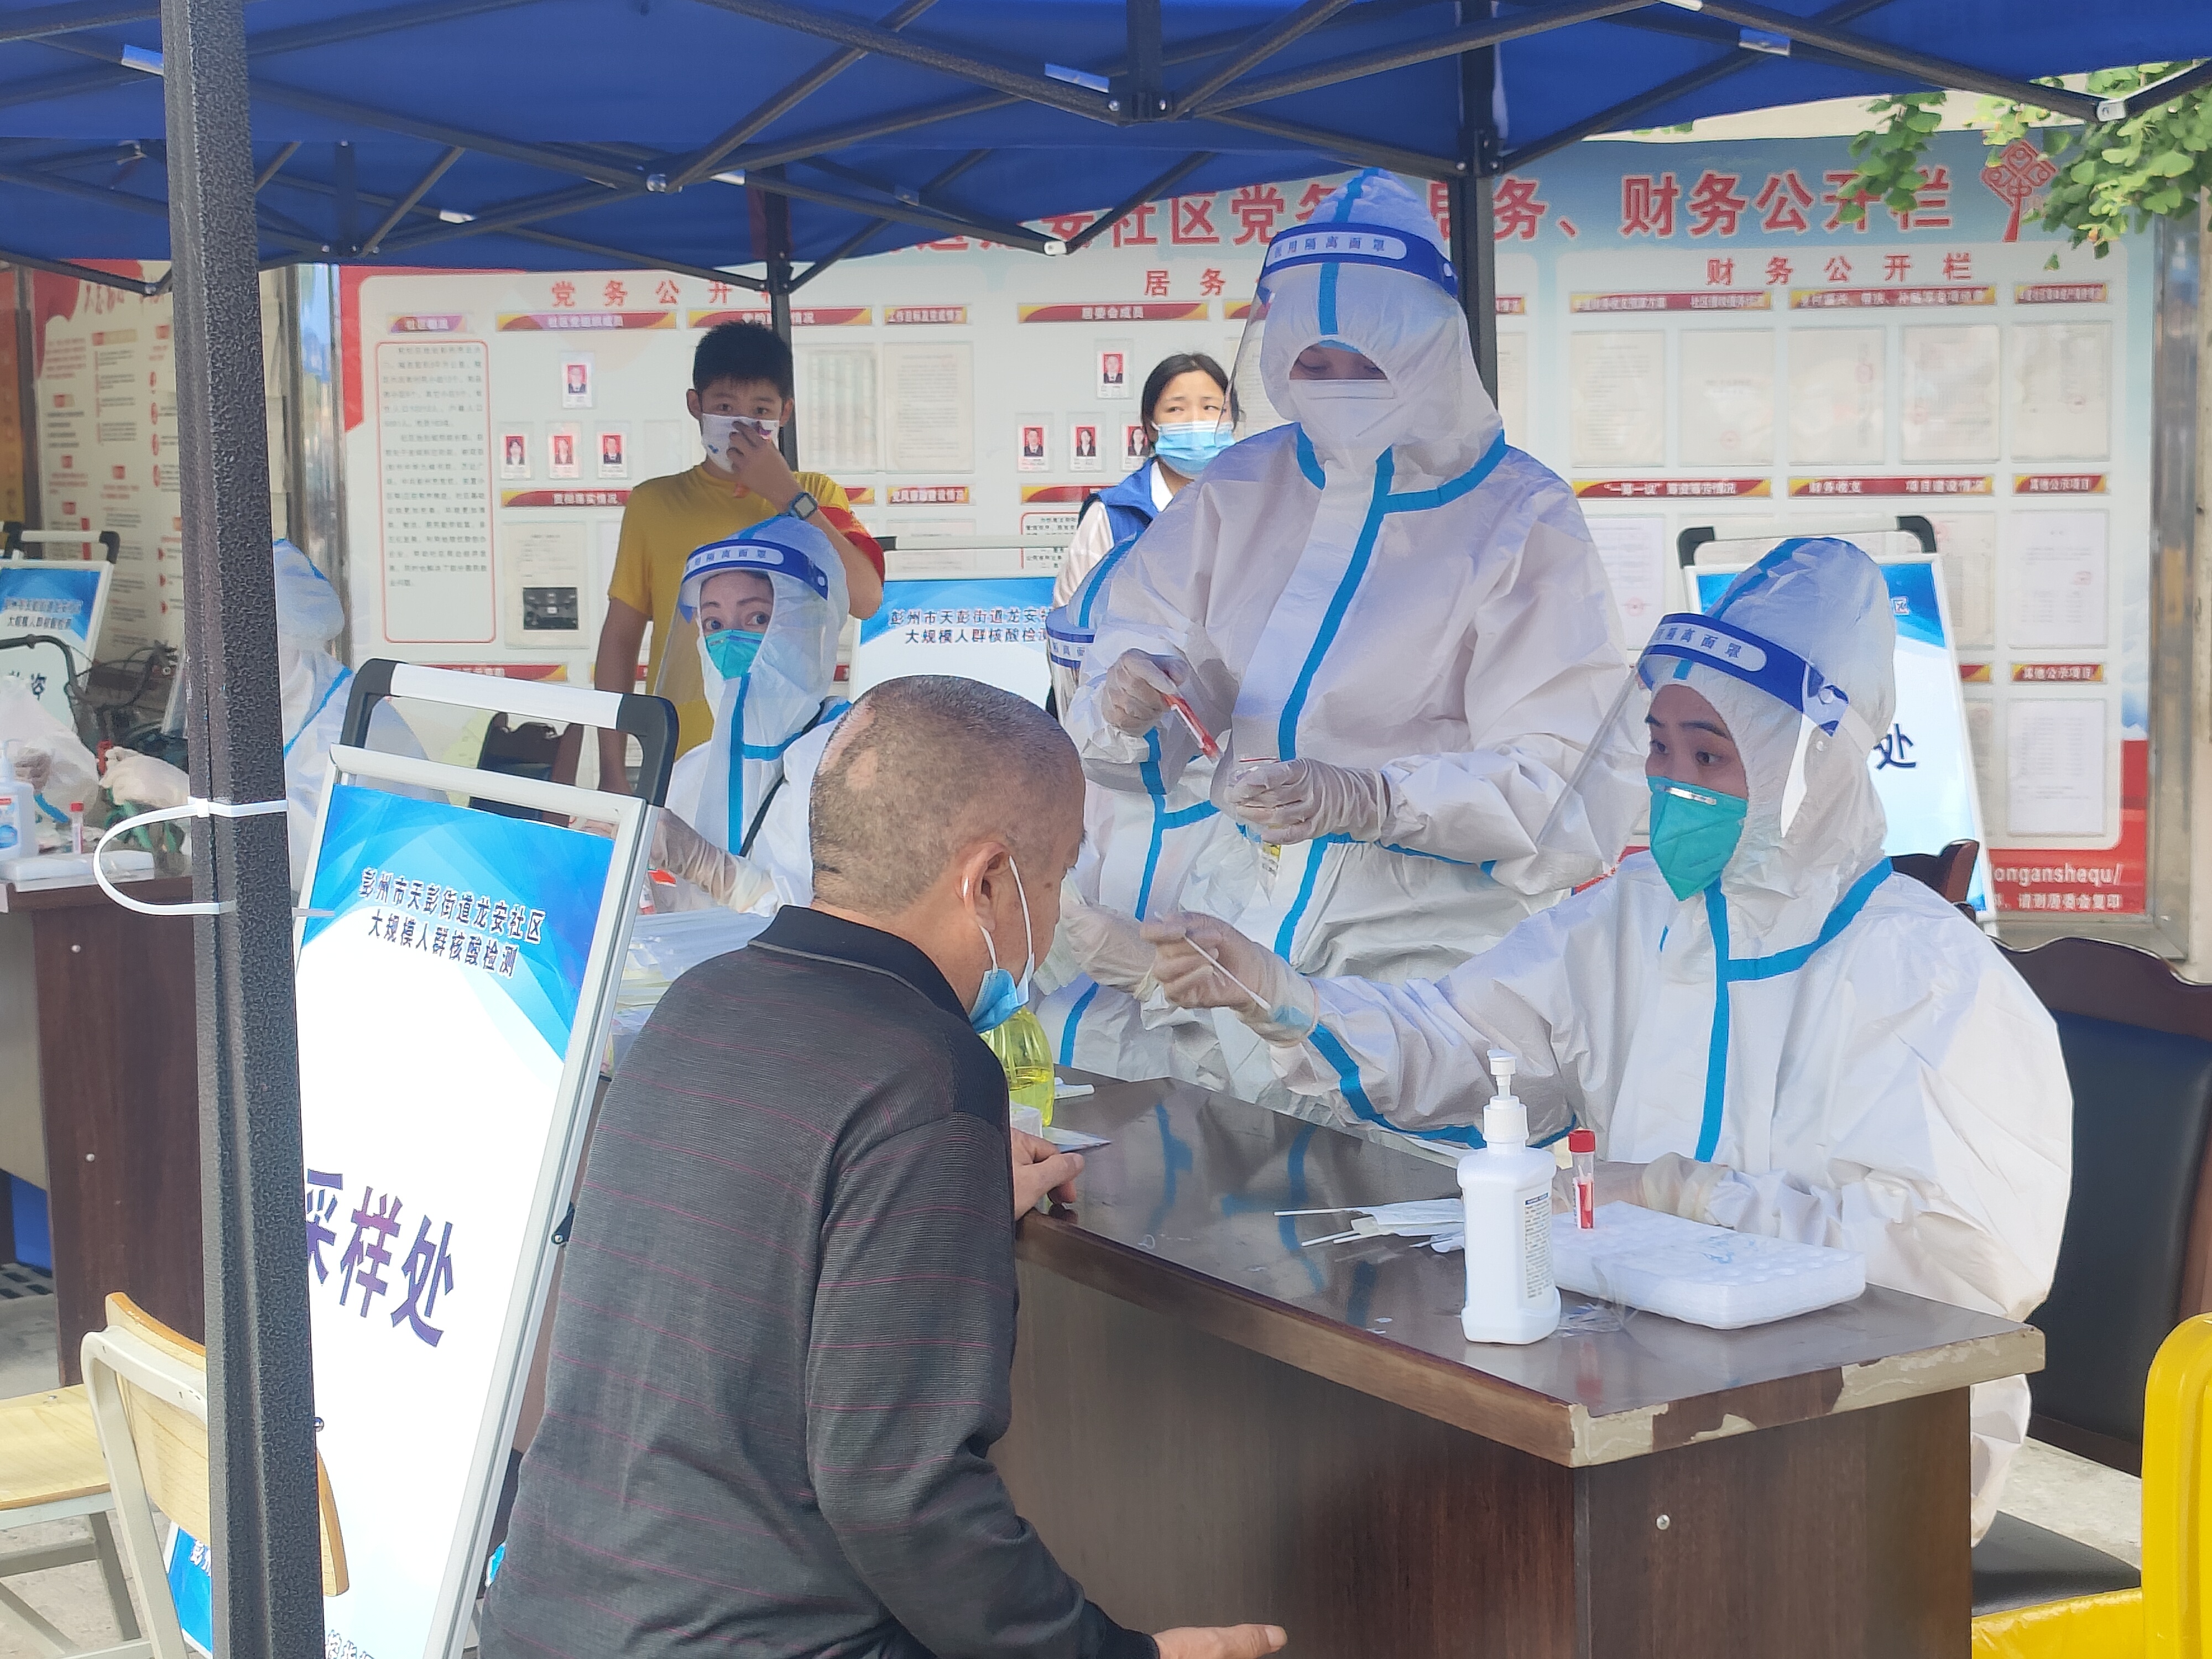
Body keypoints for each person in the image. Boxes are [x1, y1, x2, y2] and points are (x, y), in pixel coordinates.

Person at [1128, 536, 2071, 1539]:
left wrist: (1684, 1198)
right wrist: (1286, 998)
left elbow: (1961, 1264)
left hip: (1869, 1430)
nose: (1675, 782)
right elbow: (1465, 1040)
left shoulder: (1926, 972)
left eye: (1711, 756)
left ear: (1813, 768)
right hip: (1648, 1382)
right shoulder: (1638, 915)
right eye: (1660, 748)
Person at [481, 676, 1287, 1659]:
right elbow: (901, 1492)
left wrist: (942, 1193)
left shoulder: (701, 1003)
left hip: (548, 1616)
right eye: (1056, 875)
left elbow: (759, 1246)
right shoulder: (926, 1073)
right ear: (986, 880)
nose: (1055, 911)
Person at [1045, 170, 1623, 1112]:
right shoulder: (1243, 489)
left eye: (1363, 363)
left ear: (1427, 350)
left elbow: (1565, 781)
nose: (1335, 391)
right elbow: (1144, 652)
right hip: (1246, 924)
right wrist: (1129, 700)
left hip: (1430, 956)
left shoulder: (1520, 518)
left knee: (1410, 1187)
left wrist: (1374, 799)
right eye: (1311, 366)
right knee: (1246, 1178)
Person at [587, 321, 884, 787]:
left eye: (760, 409)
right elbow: (620, 638)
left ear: (785, 413)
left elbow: (866, 599)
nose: (742, 424)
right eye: (725, 407)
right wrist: (611, 766)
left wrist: (788, 495)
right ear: (696, 405)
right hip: (682, 748)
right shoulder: (654, 503)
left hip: (788, 753)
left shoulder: (817, 494)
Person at [101, 537, 423, 892]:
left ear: (290, 636)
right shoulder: (280, 712)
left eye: (240, 640)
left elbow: (314, 856)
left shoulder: (350, 723)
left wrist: (186, 796)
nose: (222, 661)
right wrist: (173, 798)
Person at [648, 517, 847, 911]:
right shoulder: (691, 773)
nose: (729, 642)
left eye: (757, 618)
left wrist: (710, 868)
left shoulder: (849, 765)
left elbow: (836, 924)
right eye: (714, 623)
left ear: (810, 625)